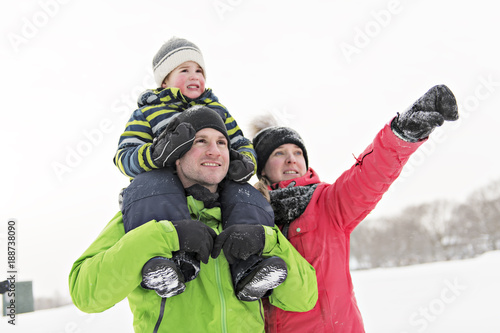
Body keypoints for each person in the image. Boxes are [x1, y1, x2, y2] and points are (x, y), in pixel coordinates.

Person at [69, 106, 318, 333]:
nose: (215, 150)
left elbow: (304, 298)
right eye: (201, 141)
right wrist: (166, 236)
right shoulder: (144, 214)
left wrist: (267, 241)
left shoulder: (249, 214)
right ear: (178, 154)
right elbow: (86, 293)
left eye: (222, 142)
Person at [252, 85, 459, 332]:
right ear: (262, 168)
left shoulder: (327, 203)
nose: (291, 159)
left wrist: (404, 132)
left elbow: (370, 173)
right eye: (279, 153)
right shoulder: (250, 215)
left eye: (298, 152)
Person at [113, 37, 279, 301]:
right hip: (168, 182)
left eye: (199, 70)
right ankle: (171, 263)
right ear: (164, 80)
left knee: (244, 195)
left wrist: (243, 162)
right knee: (150, 187)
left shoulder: (218, 111)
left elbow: (241, 143)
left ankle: (248, 267)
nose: (195, 76)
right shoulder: (148, 113)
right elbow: (125, 156)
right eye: (184, 70)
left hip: (214, 181)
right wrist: (156, 155)